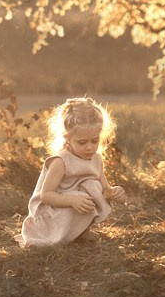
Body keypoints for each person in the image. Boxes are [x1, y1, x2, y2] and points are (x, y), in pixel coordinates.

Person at [16, 96, 126, 247]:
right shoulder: (60, 162)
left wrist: (114, 192)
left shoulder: (96, 159)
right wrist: (73, 200)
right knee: (83, 194)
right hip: (50, 214)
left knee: (93, 186)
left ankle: (79, 231)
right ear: (68, 138)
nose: (89, 147)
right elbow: (46, 196)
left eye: (94, 141)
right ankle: (62, 234)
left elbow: (104, 190)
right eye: (82, 142)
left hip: (70, 208)